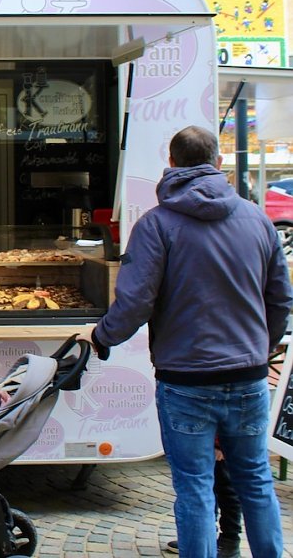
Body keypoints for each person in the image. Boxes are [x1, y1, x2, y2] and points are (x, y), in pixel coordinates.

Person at [80, 125, 291, 558]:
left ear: (172, 164)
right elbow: (281, 298)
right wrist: (261, 348)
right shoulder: (257, 219)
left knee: (194, 487)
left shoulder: (158, 224)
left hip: (186, 379)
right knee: (255, 479)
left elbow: (135, 300)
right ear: (216, 162)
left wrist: (102, 337)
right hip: (248, 376)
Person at [165, 444, 242, 557]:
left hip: (220, 439)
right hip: (203, 440)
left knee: (226, 487)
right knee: (205, 487)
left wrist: (220, 445)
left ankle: (230, 541)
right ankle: (206, 537)